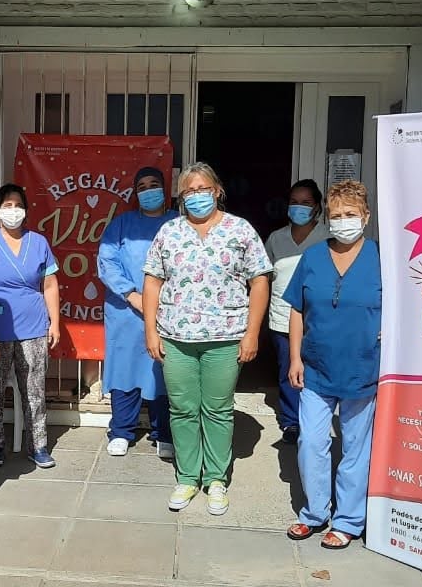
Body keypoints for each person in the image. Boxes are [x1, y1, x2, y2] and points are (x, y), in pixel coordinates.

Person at [143, 162, 271, 515]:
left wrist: (252, 332)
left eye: (203, 189)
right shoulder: (169, 233)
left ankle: (215, 478)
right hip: (177, 337)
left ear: (217, 190)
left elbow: (260, 280)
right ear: (181, 198)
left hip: (226, 337)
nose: (197, 196)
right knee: (182, 409)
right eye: (189, 192)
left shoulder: (240, 231)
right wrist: (151, 330)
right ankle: (187, 477)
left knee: (217, 410)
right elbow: (153, 280)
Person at [284, 179, 382, 550]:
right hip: (316, 368)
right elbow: (297, 308)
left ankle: (348, 521)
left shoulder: (380, 259)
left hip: (362, 369)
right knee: (311, 441)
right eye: (336, 215)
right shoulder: (312, 257)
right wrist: (295, 357)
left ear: (366, 217)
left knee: (356, 448)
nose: (343, 221)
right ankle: (314, 512)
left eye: (351, 215)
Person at [97, 166, 177, 459]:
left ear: (165, 189)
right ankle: (121, 430)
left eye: (154, 184)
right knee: (125, 370)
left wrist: (161, 301)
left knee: (163, 372)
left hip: (169, 313)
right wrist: (132, 294)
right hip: (126, 313)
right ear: (135, 193)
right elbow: (107, 261)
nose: (148, 190)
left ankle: (163, 433)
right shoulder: (121, 225)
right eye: (142, 186)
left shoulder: (178, 225)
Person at [0, 182, 60, 469]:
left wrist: (55, 323)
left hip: (34, 325)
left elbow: (49, 284)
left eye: (18, 205)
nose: (13, 211)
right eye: (7, 206)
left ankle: (37, 445)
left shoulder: (38, 243)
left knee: (34, 387)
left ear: (26, 211)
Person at [264, 180, 327, 445]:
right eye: (294, 202)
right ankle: (291, 422)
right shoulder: (277, 238)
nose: (298, 207)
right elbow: (263, 278)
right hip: (281, 317)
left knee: (315, 368)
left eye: (306, 203)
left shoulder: (328, 237)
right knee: (288, 369)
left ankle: (313, 418)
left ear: (317, 208)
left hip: (318, 319)